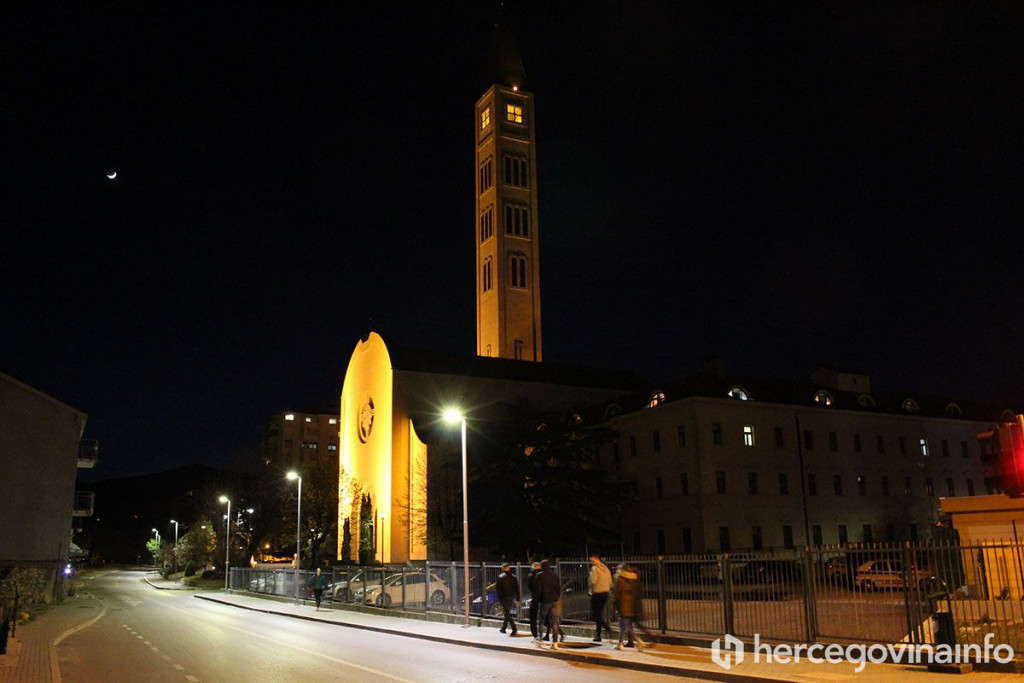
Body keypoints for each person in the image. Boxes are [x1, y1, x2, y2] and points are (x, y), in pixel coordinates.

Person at [613, 563, 647, 650]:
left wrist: (616, 605)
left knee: (626, 626)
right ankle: (620, 643)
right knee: (624, 625)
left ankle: (639, 641)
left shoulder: (620, 579)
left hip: (623, 606)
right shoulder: (633, 579)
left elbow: (617, 595)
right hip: (631, 606)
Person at [535, 560, 563, 649]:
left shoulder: (539, 576)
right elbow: (559, 588)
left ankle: (540, 640)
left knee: (541, 621)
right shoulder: (554, 575)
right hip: (555, 601)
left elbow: (538, 590)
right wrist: (557, 596)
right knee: (554, 622)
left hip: (545, 601)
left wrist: (538, 599)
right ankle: (555, 643)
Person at [589, 554, 612, 642]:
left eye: (591, 560)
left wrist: (591, 590)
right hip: (605, 593)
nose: (591, 562)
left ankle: (607, 627)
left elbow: (593, 581)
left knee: (596, 615)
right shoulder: (606, 568)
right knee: (599, 614)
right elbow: (610, 581)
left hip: (597, 593)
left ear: (595, 560)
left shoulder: (594, 569)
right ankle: (598, 636)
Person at [495, 564, 520, 635]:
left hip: (503, 597)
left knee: (507, 613)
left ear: (503, 568)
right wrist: (518, 599)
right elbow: (517, 589)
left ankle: (514, 628)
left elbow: (498, 589)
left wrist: (499, 598)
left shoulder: (500, 577)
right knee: (507, 612)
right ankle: (503, 628)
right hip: (511, 597)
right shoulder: (514, 577)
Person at [527, 561, 542, 638]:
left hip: (535, 598)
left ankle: (535, 635)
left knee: (533, 617)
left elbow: (530, 587)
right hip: (544, 598)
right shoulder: (543, 574)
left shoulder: (531, 575)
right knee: (544, 617)